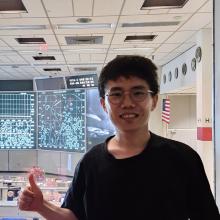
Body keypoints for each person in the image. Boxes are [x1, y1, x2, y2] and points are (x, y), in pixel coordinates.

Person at [18, 55, 220, 220]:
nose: (127, 103)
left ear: (154, 100)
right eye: (116, 94)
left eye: (138, 93)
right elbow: (74, 216)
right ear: (104, 104)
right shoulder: (91, 163)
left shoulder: (182, 158)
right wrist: (42, 207)